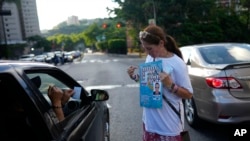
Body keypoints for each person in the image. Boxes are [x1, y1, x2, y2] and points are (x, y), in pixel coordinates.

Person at [127, 25, 193, 141]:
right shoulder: (150, 58)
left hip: (168, 125)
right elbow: (148, 82)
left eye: (150, 48)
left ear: (161, 43)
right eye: (145, 48)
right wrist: (135, 77)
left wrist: (170, 85)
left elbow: (188, 94)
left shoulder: (177, 63)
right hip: (149, 122)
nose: (147, 52)